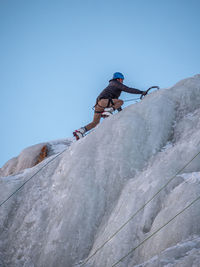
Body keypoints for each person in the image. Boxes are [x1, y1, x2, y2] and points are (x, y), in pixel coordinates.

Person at [73, 72, 147, 140]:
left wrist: (121, 112)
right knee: (121, 101)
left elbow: (115, 103)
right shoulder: (115, 83)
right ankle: (107, 111)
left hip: (99, 105)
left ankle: (80, 131)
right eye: (121, 79)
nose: (122, 81)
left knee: (95, 122)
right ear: (118, 79)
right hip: (104, 102)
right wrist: (141, 92)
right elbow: (128, 89)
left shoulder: (112, 85)